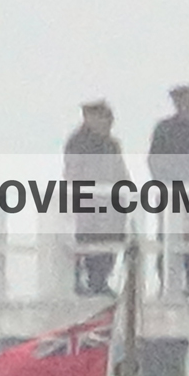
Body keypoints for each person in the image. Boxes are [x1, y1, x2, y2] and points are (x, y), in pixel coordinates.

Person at [64, 100, 130, 296]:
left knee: (109, 243)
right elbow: (72, 172)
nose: (106, 123)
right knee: (84, 242)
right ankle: (79, 282)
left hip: (110, 203)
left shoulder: (112, 144)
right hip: (87, 202)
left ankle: (100, 281)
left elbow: (121, 171)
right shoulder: (77, 142)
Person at [148, 85, 189, 294]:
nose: (184, 104)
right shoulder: (163, 129)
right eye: (181, 100)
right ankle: (166, 281)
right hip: (168, 190)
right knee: (166, 236)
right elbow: (154, 160)